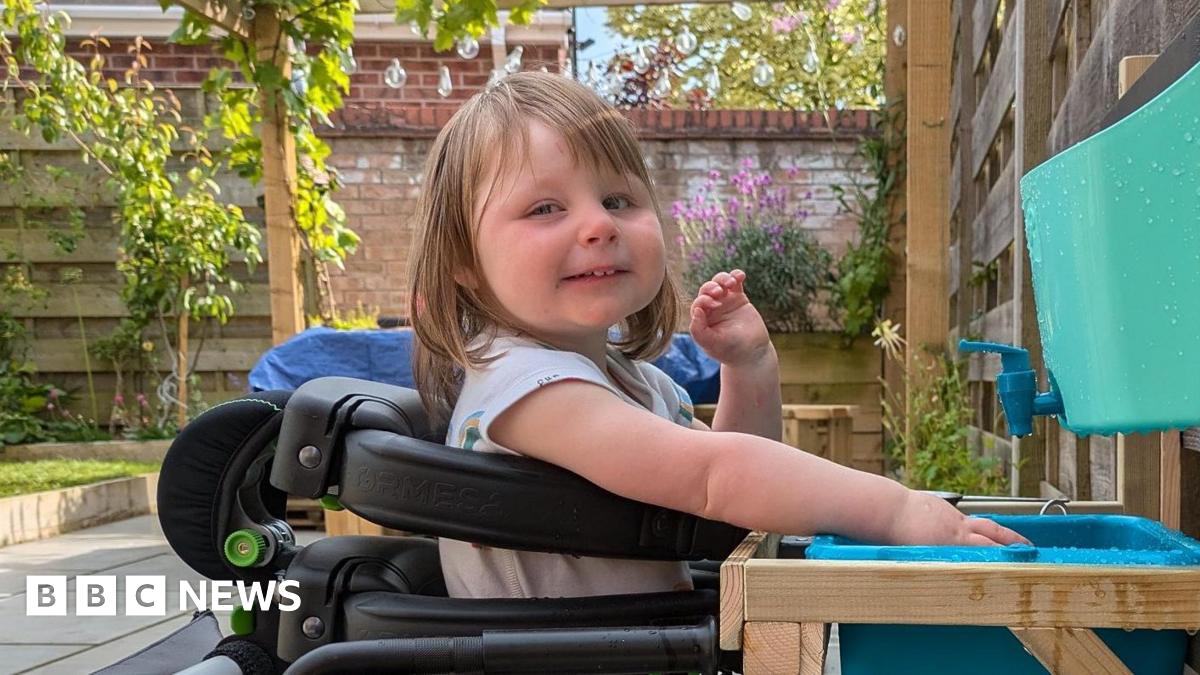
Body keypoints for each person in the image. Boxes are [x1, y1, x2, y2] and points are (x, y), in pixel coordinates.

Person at [406, 71, 1028, 600]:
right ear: (463, 259)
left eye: (619, 199)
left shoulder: (629, 383)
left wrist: (749, 366)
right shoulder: (527, 391)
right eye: (545, 208)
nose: (598, 224)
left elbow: (728, 492)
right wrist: (895, 510)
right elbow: (714, 476)